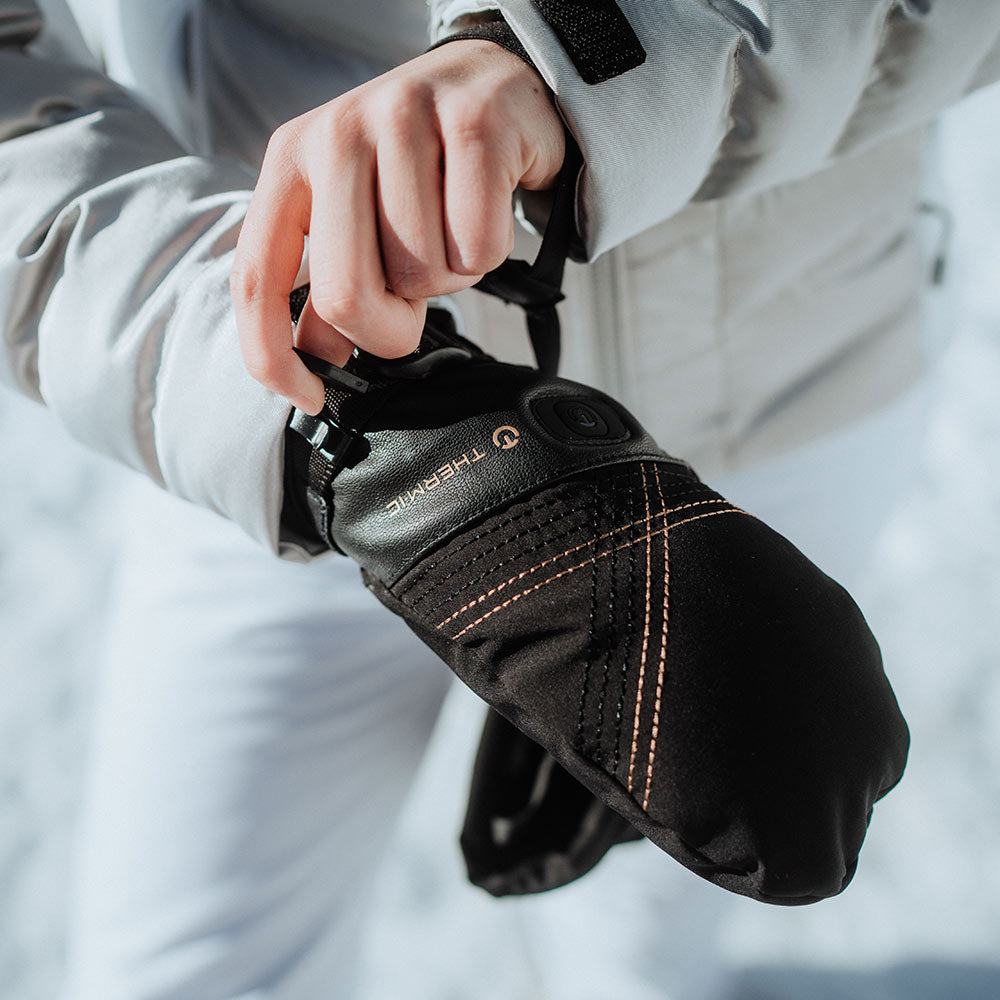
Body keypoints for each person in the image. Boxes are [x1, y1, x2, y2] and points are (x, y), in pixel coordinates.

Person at [2, 1, 999, 997]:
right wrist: (336, 412)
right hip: (288, 424)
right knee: (190, 973)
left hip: (797, 380)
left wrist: (595, 53)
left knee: (643, 944)